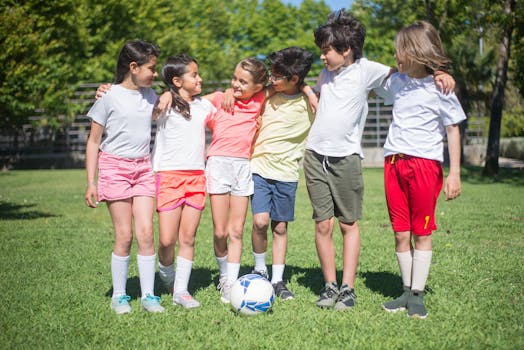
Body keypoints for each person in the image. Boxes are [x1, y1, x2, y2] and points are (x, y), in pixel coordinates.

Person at [305, 10, 455, 311]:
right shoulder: (324, 75)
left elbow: (403, 75)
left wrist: (438, 72)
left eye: (327, 51)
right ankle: (330, 285)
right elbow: (314, 93)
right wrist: (309, 90)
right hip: (314, 156)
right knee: (323, 225)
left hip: (347, 159)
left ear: (346, 50)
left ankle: (348, 288)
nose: (322, 57)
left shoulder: (366, 70)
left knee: (349, 224)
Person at [376, 21, 465, 319]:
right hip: (393, 163)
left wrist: (455, 173)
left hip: (425, 165)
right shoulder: (396, 82)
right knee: (400, 233)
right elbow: (371, 77)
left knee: (420, 232)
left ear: (415, 51)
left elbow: (453, 130)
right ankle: (405, 289)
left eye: (399, 51)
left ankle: (417, 295)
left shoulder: (441, 87)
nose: (395, 56)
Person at [84, 40, 164, 314]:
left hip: (143, 169)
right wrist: (92, 182)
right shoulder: (107, 97)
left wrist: (166, 97)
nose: (155, 74)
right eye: (151, 69)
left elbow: (166, 111)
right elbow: (93, 142)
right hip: (114, 169)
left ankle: (149, 296)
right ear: (133, 67)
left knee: (146, 233)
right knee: (124, 235)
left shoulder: (151, 95)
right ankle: (119, 296)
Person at [249, 47, 315, 300]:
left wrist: (309, 90)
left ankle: (277, 280)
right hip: (259, 168)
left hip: (287, 173)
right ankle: (259, 270)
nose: (271, 80)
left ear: (294, 79)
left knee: (279, 228)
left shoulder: (309, 101)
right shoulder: (266, 96)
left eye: (277, 76)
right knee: (260, 222)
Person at [204, 58, 270, 303]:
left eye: (243, 82)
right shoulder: (221, 98)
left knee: (236, 230)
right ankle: (223, 274)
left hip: (243, 167)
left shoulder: (261, 100)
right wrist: (227, 91)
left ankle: (231, 283)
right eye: (235, 79)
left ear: (258, 86)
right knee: (220, 231)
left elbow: (285, 85)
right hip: (218, 165)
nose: (236, 84)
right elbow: (189, 101)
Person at [153, 54, 216, 309]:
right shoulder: (163, 104)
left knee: (187, 238)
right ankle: (166, 274)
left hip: (196, 179)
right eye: (194, 75)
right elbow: (140, 104)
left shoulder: (203, 106)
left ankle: (181, 290)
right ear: (177, 81)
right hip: (168, 177)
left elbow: (220, 103)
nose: (199, 78)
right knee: (167, 240)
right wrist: (165, 95)